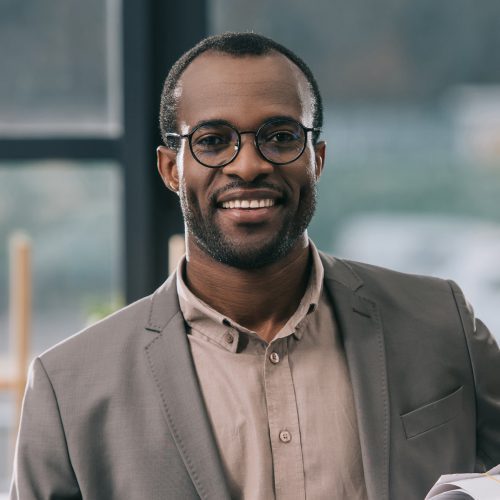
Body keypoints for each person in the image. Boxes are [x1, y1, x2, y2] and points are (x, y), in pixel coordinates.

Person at [10, 32, 500, 500]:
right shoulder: (69, 387)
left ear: (318, 159)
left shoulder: (442, 322)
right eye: (212, 140)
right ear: (170, 168)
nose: (247, 166)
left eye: (281, 136)